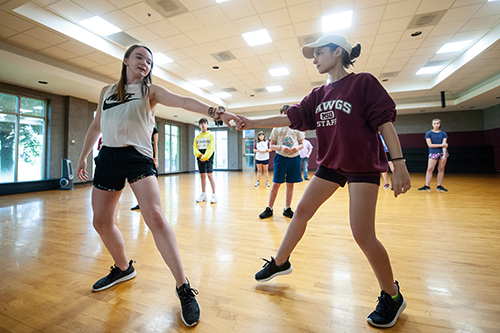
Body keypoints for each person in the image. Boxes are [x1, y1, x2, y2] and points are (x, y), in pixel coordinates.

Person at [236, 34, 411, 328]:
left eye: (318, 53)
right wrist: (252, 123)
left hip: (362, 164)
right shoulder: (318, 95)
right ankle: (281, 262)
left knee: (362, 233)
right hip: (331, 163)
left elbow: (385, 123)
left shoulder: (362, 82)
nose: (314, 60)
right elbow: (291, 117)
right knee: (302, 212)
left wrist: (399, 164)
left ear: (338, 52)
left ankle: (392, 296)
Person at [76, 44, 239, 327]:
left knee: (156, 219)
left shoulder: (150, 91)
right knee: (101, 222)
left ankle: (183, 287)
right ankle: (123, 268)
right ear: (126, 60)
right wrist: (83, 158)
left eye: (150, 61)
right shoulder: (106, 92)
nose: (145, 63)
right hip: (109, 157)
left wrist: (216, 112)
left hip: (137, 157)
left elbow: (185, 102)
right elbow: (96, 127)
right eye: (139, 57)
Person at [258, 105, 304, 219]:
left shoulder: (297, 128)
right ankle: (269, 208)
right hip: (281, 157)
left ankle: (287, 209)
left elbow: (302, 144)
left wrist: (296, 148)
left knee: (290, 184)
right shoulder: (276, 128)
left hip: (294, 158)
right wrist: (281, 147)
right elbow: (272, 146)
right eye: (284, 114)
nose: (286, 116)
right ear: (281, 115)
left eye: (288, 114)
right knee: (276, 184)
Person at [131, 127, 159, 210]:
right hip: (138, 156)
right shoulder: (138, 128)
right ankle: (140, 203)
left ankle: (151, 204)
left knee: (150, 181)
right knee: (138, 181)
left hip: (149, 157)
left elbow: (155, 145)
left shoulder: (154, 130)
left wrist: (156, 159)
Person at [418, 118, 449, 192]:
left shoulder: (443, 133)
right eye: (434, 124)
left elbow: (445, 146)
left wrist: (444, 155)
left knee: (441, 169)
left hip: (442, 153)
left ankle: (439, 186)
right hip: (433, 153)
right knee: (430, 169)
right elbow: (430, 145)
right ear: (432, 124)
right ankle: (427, 185)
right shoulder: (428, 133)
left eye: (437, 123)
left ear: (440, 124)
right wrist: (442, 145)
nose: (436, 125)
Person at [193, 118, 217, 204]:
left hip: (208, 156)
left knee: (210, 175)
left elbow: (211, 147)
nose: (203, 125)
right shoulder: (197, 137)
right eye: (201, 124)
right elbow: (195, 148)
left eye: (205, 123)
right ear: (199, 126)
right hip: (200, 155)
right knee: (202, 175)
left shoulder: (211, 135)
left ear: (207, 125)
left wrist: (205, 156)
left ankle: (214, 195)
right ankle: (203, 194)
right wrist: (200, 155)